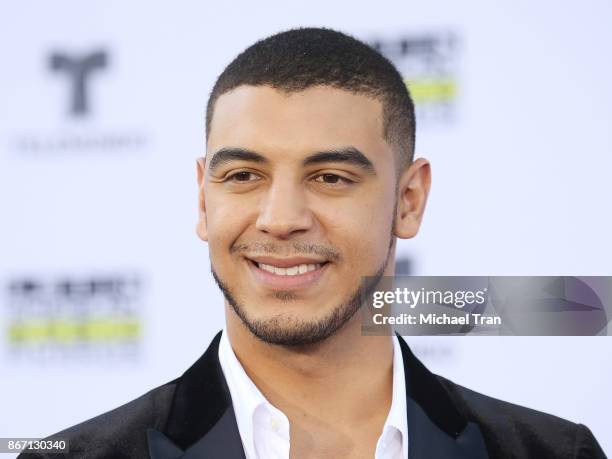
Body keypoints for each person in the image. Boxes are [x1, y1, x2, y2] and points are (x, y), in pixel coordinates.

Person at [20, 27, 606, 459]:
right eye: (243, 176)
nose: (280, 220)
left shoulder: (552, 453)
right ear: (203, 199)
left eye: (330, 178)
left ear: (409, 200)